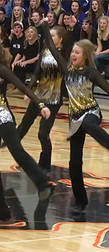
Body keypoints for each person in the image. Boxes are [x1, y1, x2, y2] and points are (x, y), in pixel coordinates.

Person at [40, 21, 109, 212]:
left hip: (91, 112)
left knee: (89, 124)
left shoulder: (91, 72)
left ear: (85, 56)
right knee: (74, 163)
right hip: (74, 118)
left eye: (77, 53)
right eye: (72, 52)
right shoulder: (66, 69)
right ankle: (80, 201)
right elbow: (52, 47)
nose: (73, 55)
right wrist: (45, 27)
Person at [0, 44, 54, 222]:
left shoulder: (2, 69)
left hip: (2, 116)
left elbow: (22, 87)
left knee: (17, 151)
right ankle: (2, 211)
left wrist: (40, 104)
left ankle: (42, 184)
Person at [14, 25, 70, 173]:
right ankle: (16, 154)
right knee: (23, 126)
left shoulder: (64, 56)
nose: (49, 38)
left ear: (61, 39)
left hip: (53, 99)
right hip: (38, 96)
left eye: (53, 36)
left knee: (42, 134)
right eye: (49, 35)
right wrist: (28, 90)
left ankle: (45, 164)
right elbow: (36, 73)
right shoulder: (44, 52)